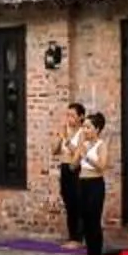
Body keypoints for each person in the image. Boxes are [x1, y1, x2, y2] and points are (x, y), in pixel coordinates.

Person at [74, 111, 111, 255]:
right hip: (82, 182)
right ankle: (89, 252)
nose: (85, 130)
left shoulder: (101, 145)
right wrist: (78, 149)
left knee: (94, 218)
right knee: (85, 218)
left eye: (88, 127)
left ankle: (95, 254)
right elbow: (73, 166)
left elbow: (102, 166)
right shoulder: (84, 145)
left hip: (95, 184)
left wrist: (87, 156)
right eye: (84, 127)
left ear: (97, 129)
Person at [53, 103, 90, 245]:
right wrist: (60, 137)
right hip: (65, 168)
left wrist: (67, 140)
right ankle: (72, 236)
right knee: (68, 202)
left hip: (77, 169)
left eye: (72, 115)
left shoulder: (83, 133)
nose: (69, 118)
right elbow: (54, 150)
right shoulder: (65, 130)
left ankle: (79, 238)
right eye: (67, 115)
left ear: (81, 117)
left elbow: (78, 153)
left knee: (78, 202)